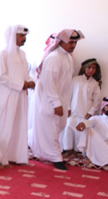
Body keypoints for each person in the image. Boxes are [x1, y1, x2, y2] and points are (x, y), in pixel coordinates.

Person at [29, 29, 84, 170]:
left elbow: (67, 83)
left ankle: (36, 146)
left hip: (61, 100)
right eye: (71, 42)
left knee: (57, 127)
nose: (74, 45)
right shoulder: (54, 57)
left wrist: (67, 104)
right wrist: (56, 103)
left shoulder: (68, 57)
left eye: (75, 42)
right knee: (51, 129)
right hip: (49, 100)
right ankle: (56, 158)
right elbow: (48, 83)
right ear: (61, 41)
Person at [0, 25, 34, 165]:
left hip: (20, 96)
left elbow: (25, 73)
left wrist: (30, 81)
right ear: (12, 36)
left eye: (25, 36)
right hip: (7, 96)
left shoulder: (23, 54)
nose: (24, 38)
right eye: (21, 35)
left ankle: (15, 156)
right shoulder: (3, 54)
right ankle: (0, 158)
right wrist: (21, 84)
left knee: (19, 125)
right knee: (5, 125)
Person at [61, 58, 101, 159]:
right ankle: (68, 150)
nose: (91, 70)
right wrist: (68, 108)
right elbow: (68, 94)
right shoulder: (76, 79)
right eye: (89, 67)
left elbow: (96, 100)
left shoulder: (95, 83)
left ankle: (76, 151)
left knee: (80, 132)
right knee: (68, 129)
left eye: (94, 68)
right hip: (73, 112)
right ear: (84, 68)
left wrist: (91, 111)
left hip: (84, 113)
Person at [76, 98, 108, 167]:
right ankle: (88, 156)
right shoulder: (97, 118)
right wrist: (83, 123)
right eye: (107, 106)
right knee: (87, 127)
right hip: (97, 147)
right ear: (103, 107)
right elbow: (89, 122)